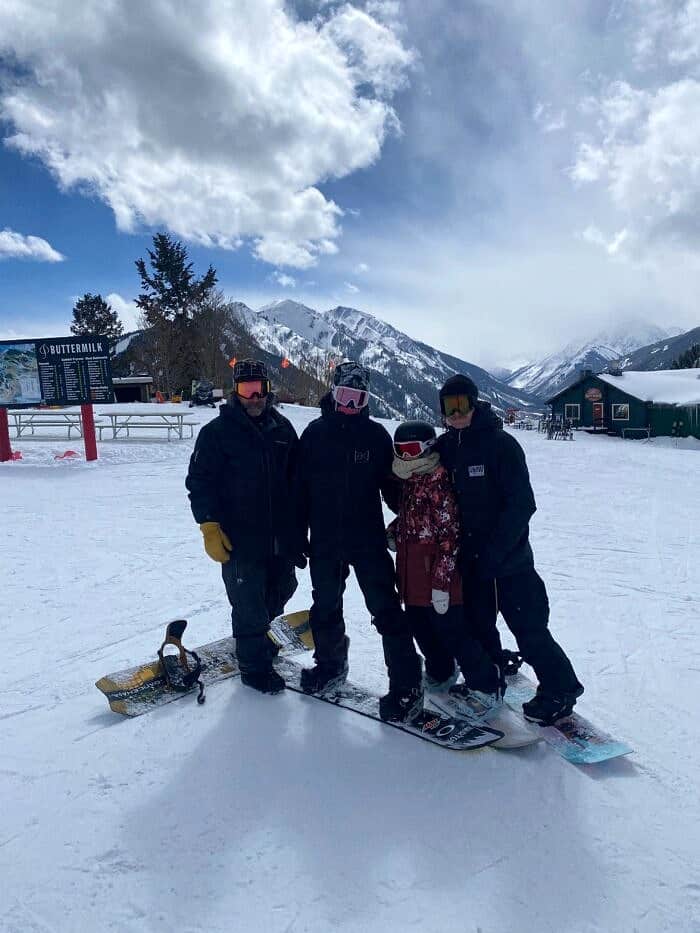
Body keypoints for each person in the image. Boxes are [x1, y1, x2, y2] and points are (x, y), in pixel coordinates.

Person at [435, 374, 584, 725]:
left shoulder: (501, 445)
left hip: (509, 562)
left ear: (474, 404)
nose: (456, 414)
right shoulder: (446, 448)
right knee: (479, 627)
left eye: (462, 405)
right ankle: (488, 682)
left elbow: (522, 504)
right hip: (470, 561)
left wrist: (495, 552)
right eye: (449, 407)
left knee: (529, 629)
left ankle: (561, 689)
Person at [295, 361, 423, 722]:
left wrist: (414, 513)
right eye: (345, 396)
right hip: (325, 540)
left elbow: (393, 490)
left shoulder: (376, 437)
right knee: (325, 606)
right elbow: (299, 490)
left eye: (358, 398)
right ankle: (330, 664)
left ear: (367, 400)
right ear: (333, 393)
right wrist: (297, 533)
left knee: (386, 610)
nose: (350, 405)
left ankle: (407, 683)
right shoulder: (315, 434)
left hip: (367, 540)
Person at [185, 359, 301, 694]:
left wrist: (301, 526)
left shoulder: (282, 429)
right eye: (246, 389)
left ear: (267, 389)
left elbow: (298, 480)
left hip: (279, 535)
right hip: (239, 537)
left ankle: (258, 636)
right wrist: (209, 525)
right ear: (235, 392)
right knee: (249, 603)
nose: (254, 397)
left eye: (259, 389)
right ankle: (254, 668)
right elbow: (199, 482)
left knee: (283, 588)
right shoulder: (217, 433)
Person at [387, 420, 503, 701]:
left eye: (412, 450)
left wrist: (441, 584)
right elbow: (412, 516)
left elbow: (449, 537)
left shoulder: (437, 481)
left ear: (427, 448)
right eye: (400, 450)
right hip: (411, 570)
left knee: (452, 631)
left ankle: (486, 684)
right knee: (420, 626)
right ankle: (441, 669)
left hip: (437, 573)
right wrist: (395, 531)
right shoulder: (410, 478)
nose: (405, 457)